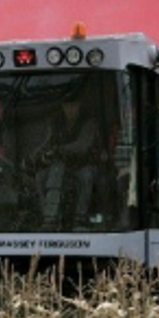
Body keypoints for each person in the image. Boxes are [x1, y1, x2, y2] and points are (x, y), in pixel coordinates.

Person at [31, 98, 99, 229]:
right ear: (62, 106)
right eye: (67, 106)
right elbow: (46, 142)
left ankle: (80, 218)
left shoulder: (89, 121)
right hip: (61, 165)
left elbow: (83, 145)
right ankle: (48, 217)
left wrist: (60, 149)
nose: (70, 109)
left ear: (79, 105)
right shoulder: (56, 123)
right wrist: (34, 155)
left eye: (74, 105)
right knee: (40, 177)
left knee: (87, 176)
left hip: (83, 164)